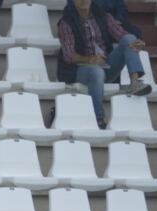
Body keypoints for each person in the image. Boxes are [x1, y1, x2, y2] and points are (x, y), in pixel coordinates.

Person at [58, 0, 150, 129]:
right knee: (96, 71)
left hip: (105, 66)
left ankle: (135, 82)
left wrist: (136, 42)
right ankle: (98, 119)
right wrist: (90, 59)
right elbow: (69, 55)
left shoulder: (103, 16)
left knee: (129, 39)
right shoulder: (66, 22)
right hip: (81, 70)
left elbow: (121, 35)